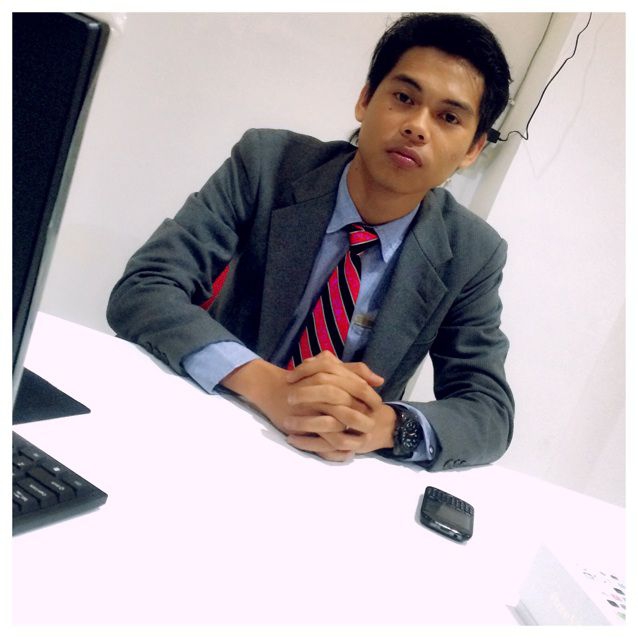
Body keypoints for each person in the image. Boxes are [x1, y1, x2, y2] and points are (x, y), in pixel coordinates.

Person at [107, 12, 514, 470]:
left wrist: (383, 425)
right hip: (210, 417)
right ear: (365, 99)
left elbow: (489, 412)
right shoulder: (268, 164)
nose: (418, 126)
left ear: (473, 148)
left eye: (448, 117)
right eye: (404, 97)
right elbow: (145, 287)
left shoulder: (473, 253)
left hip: (330, 466)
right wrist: (268, 386)